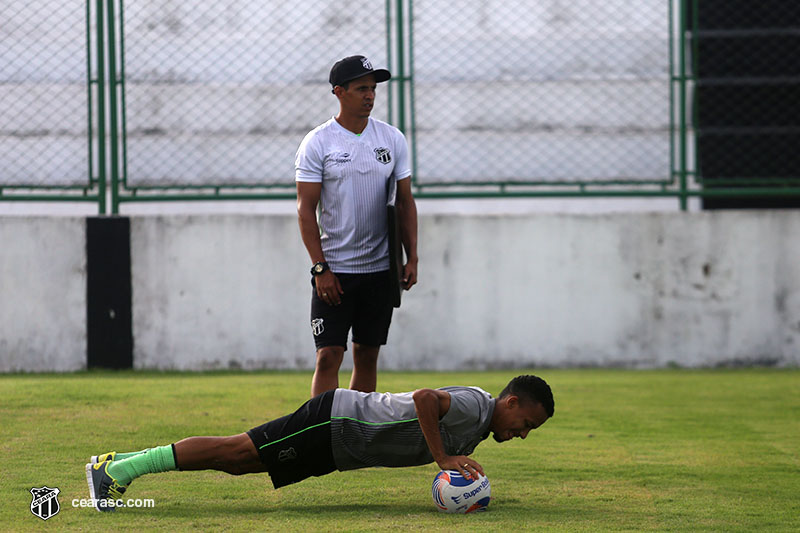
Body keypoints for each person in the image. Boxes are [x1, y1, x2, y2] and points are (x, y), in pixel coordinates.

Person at [85, 375, 554, 512]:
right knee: (235, 452)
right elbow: (426, 399)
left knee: (241, 464)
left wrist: (456, 462)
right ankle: (120, 472)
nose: (522, 435)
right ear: (511, 402)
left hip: (339, 445)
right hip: (337, 421)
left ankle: (114, 463)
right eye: (526, 423)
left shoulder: (479, 423)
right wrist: (442, 457)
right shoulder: (477, 406)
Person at [295, 55, 419, 397]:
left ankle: (357, 435)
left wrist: (412, 258)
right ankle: (319, 435)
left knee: (367, 355)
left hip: (380, 271)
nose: (370, 95)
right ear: (339, 92)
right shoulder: (318, 142)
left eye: (373, 88)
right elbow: (306, 210)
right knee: (328, 356)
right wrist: (320, 268)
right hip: (335, 270)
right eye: (361, 88)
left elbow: (405, 201)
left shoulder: (392, 139)